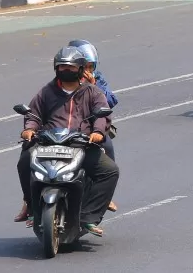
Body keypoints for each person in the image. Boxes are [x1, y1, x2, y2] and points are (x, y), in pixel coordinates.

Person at [15, 46, 119, 237]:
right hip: (48, 143)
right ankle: (31, 205)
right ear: (56, 68)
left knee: (109, 171)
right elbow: (34, 114)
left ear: (80, 69)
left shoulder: (92, 92)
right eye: (62, 67)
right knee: (24, 161)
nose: (66, 71)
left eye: (71, 68)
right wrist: (29, 129)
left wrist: (97, 132)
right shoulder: (46, 91)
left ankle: (88, 217)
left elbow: (102, 114)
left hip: (82, 144)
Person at [68, 39, 119, 212]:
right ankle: (29, 202)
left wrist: (94, 86)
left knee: (108, 148)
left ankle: (106, 195)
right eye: (85, 67)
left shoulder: (98, 80)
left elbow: (110, 101)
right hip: (65, 128)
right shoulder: (65, 80)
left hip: (91, 127)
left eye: (91, 67)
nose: (88, 71)